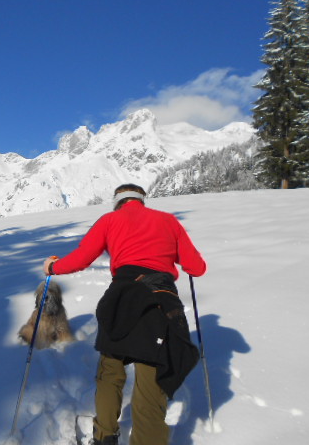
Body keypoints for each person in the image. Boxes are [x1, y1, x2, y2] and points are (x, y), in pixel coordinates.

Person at [42, 184, 206, 445]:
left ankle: (104, 435)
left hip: (122, 299)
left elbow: (83, 257)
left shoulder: (109, 220)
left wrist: (53, 267)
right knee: (152, 378)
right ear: (142, 200)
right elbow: (196, 268)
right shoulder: (168, 221)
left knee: (111, 371)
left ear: (117, 202)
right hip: (162, 302)